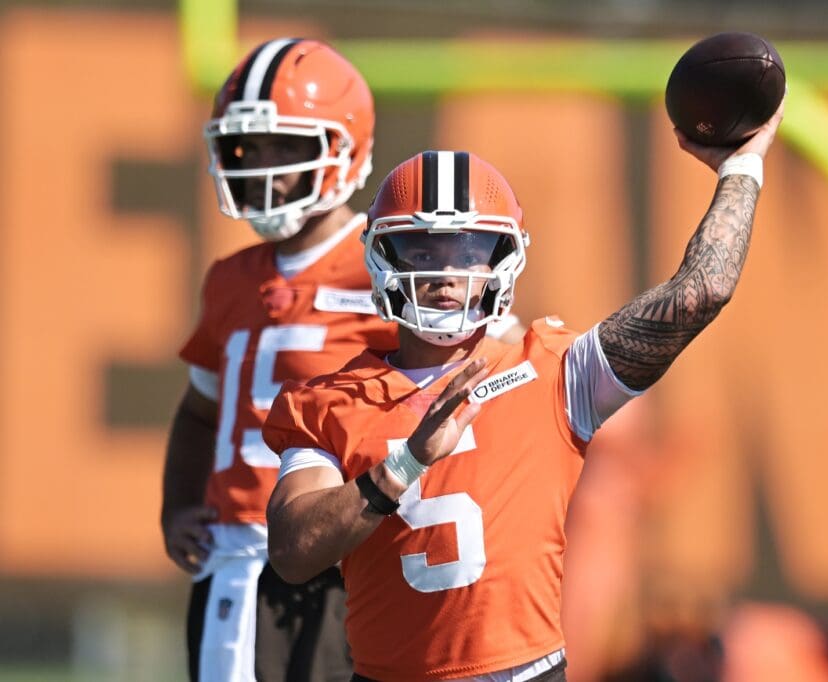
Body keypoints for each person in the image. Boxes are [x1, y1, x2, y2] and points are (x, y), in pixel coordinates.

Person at [262, 102, 784, 681]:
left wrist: (742, 169)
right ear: (382, 256)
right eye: (423, 250)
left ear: (504, 261)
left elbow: (700, 291)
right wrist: (404, 465)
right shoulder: (331, 401)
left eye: (468, 252)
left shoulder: (555, 372)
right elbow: (291, 553)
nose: (446, 274)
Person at [160, 38, 390, 682]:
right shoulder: (230, 278)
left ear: (343, 148)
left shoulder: (389, 262)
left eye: (285, 146)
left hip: (340, 547)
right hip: (239, 551)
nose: (264, 168)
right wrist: (177, 506)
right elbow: (199, 412)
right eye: (249, 149)